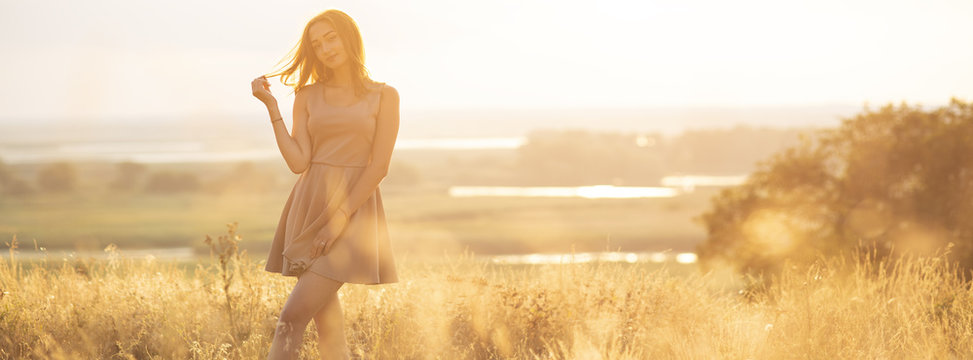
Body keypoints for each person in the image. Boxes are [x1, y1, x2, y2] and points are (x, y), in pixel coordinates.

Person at [250, 9, 400, 360]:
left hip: (353, 210)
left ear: (349, 37)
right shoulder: (306, 95)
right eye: (317, 44)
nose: (326, 48)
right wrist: (272, 107)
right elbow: (299, 162)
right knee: (329, 330)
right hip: (310, 204)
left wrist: (339, 220)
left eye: (330, 37)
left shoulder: (385, 95)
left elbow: (379, 166)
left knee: (291, 318)